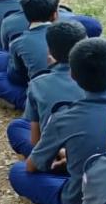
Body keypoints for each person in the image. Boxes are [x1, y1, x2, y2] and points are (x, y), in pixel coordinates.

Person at [7, 37, 106, 204]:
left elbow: (32, 166)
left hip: (80, 198)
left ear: (73, 76)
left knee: (19, 171)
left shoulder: (64, 117)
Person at [6, 20, 87, 157]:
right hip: (99, 160)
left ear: (49, 51)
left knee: (17, 128)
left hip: (60, 158)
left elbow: (36, 141)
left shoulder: (38, 84)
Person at [0, 0, 60, 111]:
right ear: (55, 14)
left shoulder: (18, 42)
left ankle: (30, 107)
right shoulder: (73, 34)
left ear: (25, 14)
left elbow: (16, 76)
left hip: (41, 96)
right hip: (73, 91)